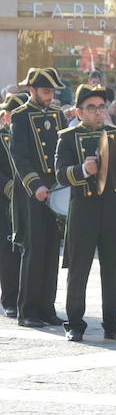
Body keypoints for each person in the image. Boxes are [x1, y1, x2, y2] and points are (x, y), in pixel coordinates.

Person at [53, 84, 116, 342]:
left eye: (101, 107)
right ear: (79, 111)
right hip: (83, 209)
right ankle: (74, 322)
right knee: (78, 268)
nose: (98, 113)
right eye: (91, 108)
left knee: (112, 268)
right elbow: (60, 174)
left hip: (111, 207)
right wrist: (83, 170)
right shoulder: (67, 137)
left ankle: (113, 323)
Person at [11, 68, 67, 329]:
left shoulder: (57, 115)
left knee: (51, 249)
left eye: (52, 91)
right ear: (31, 90)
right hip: (33, 192)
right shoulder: (20, 116)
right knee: (33, 250)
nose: (50, 96)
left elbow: (64, 151)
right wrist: (35, 186)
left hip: (54, 190)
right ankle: (27, 311)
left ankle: (47, 307)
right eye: (46, 91)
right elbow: (19, 156)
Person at [0, 94, 22, 318]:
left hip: (26, 198)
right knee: (8, 252)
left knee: (25, 251)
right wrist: (8, 186)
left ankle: (26, 297)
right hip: (4, 201)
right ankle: (9, 298)